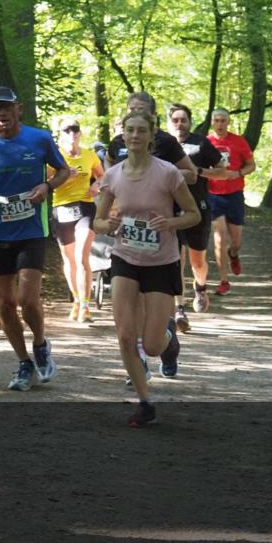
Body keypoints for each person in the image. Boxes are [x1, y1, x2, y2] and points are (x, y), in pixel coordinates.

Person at [93, 110, 201, 427]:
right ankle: (145, 402)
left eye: (142, 131)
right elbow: (98, 222)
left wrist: (171, 222)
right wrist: (108, 223)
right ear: (123, 135)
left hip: (162, 261)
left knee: (151, 344)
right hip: (125, 258)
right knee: (126, 337)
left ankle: (169, 343)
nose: (136, 136)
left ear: (152, 136)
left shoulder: (168, 173)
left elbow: (193, 214)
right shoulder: (112, 176)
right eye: (130, 130)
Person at [0, 87, 69, 391]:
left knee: (27, 300)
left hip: (32, 230)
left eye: (7, 107)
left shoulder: (39, 139)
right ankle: (23, 363)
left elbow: (64, 170)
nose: (2, 113)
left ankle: (41, 343)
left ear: (18, 109)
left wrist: (47, 187)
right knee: (5, 304)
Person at [166, 103, 224, 331]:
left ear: (190, 122)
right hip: (170, 209)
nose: (180, 124)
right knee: (176, 260)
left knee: (197, 261)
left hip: (198, 207)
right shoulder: (162, 145)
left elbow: (222, 170)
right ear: (170, 122)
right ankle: (179, 308)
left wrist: (199, 172)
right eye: (176, 120)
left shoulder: (201, 143)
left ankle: (200, 287)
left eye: (184, 120)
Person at [49, 115, 104, 324]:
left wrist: (96, 186)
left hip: (85, 206)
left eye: (75, 129)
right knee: (69, 260)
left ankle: (85, 305)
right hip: (61, 208)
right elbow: (44, 182)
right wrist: (62, 178)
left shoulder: (90, 155)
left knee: (82, 256)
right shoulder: (55, 157)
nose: (71, 133)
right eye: (67, 130)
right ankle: (76, 301)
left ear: (80, 133)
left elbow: (102, 175)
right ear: (60, 135)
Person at [207, 108, 256, 296]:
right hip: (213, 195)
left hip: (234, 194)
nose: (219, 124)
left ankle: (233, 254)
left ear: (228, 122)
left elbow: (251, 165)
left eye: (223, 121)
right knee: (219, 239)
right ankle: (223, 281)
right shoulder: (207, 143)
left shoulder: (238, 141)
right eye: (216, 120)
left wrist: (239, 173)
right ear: (212, 122)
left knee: (236, 242)